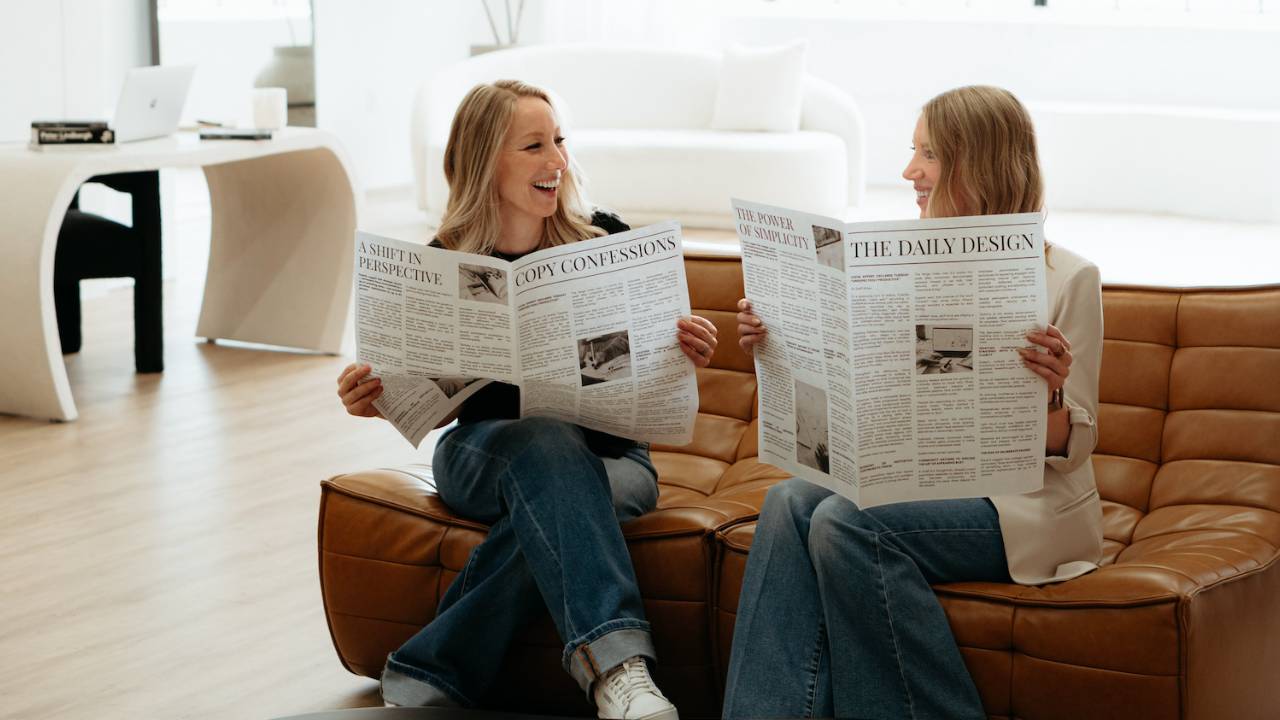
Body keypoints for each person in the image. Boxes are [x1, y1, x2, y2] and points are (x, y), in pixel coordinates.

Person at [336, 80, 719, 719]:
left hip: (614, 462)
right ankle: (619, 672)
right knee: (541, 441)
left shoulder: (604, 238)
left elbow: (650, 371)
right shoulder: (443, 263)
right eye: (534, 146)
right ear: (487, 160)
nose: (557, 161)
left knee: (556, 492)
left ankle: (430, 669)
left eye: (559, 141)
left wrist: (684, 347)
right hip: (485, 453)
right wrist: (370, 396)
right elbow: (437, 402)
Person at [724, 85, 1103, 719]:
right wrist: (777, 339)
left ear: (975, 164)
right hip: (919, 479)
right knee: (789, 500)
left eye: (928, 154)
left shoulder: (1068, 276)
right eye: (913, 151)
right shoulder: (888, 263)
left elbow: (1074, 447)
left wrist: (1051, 394)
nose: (910, 172)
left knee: (844, 524)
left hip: (1020, 504)